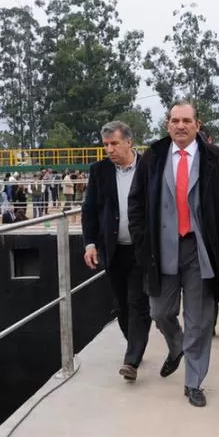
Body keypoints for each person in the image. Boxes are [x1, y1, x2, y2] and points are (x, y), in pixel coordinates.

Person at [128, 101, 219, 408]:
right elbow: (136, 202)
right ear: (167, 125)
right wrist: (141, 242)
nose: (181, 126)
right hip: (162, 248)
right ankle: (177, 345)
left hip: (200, 248)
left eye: (187, 120)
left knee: (199, 320)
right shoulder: (154, 156)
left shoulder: (217, 159)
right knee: (160, 311)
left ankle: (194, 381)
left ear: (197, 125)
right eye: (175, 120)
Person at [82, 121, 152, 382]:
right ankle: (135, 344)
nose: (109, 149)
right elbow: (90, 209)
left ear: (129, 142)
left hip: (142, 249)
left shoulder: (149, 167)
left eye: (114, 143)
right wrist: (90, 244)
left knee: (137, 302)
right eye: (106, 145)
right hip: (113, 250)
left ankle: (131, 360)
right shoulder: (99, 171)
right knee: (121, 304)